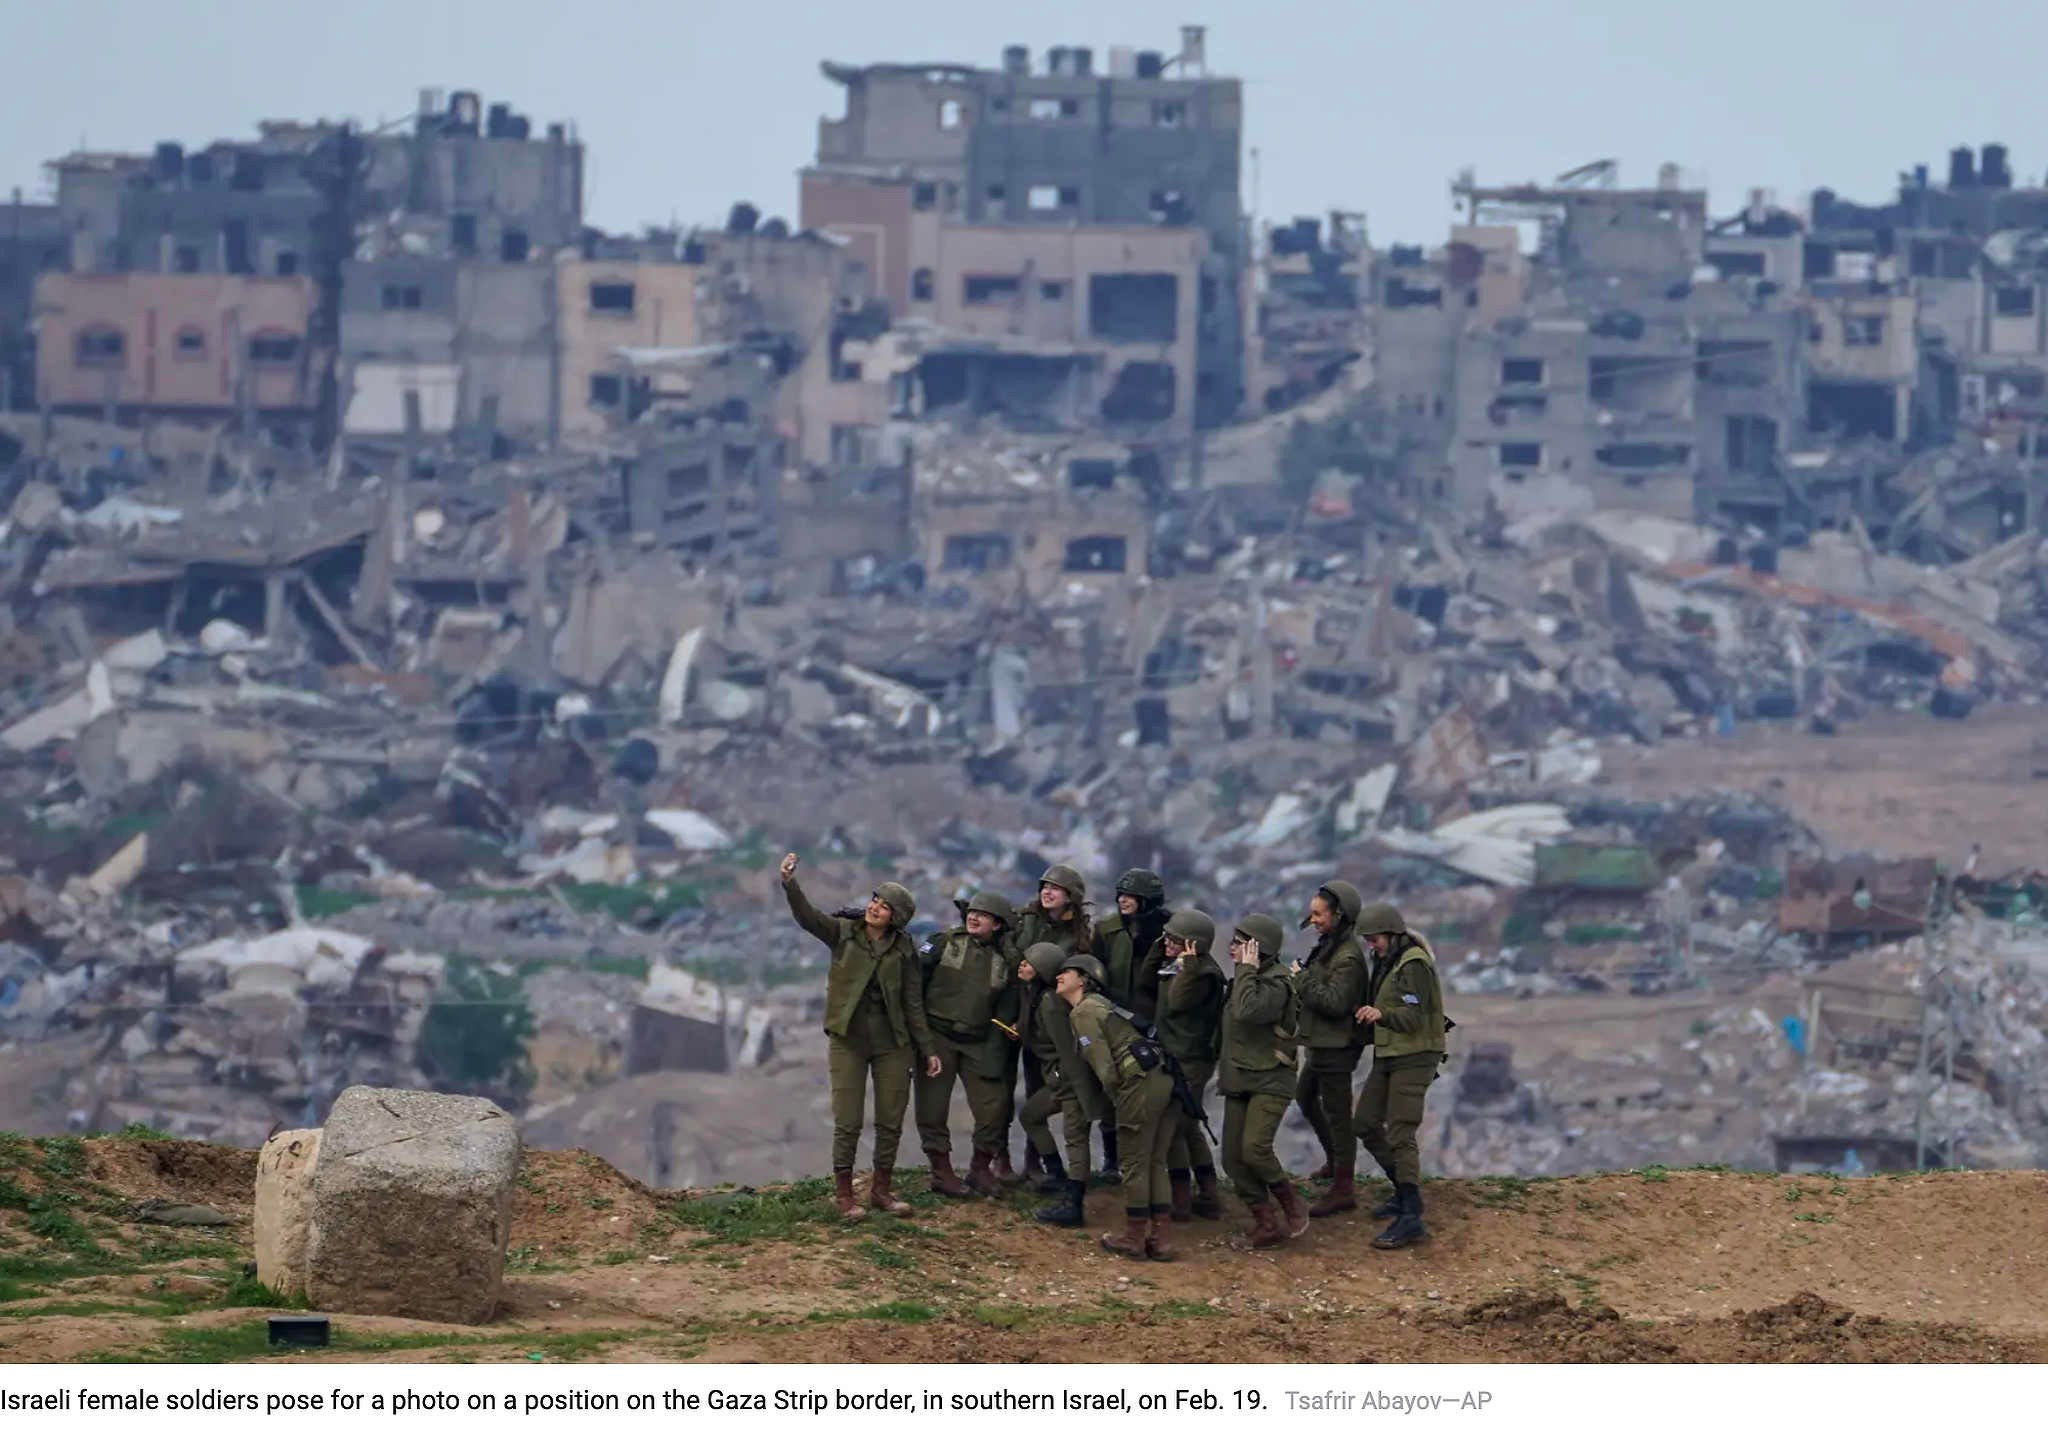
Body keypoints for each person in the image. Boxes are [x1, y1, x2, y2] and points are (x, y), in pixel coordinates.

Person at [779, 852, 940, 1220]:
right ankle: (844, 1195)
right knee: (848, 1120)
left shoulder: (904, 951)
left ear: (896, 918)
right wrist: (790, 884)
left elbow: (913, 1003)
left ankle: (882, 1190)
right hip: (848, 1039)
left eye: (884, 907)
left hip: (892, 1044)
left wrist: (927, 1048)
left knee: (890, 1119)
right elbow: (808, 918)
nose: (875, 909)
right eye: (875, 901)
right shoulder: (842, 932)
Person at [1057, 952, 1183, 1261]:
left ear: (1085, 980)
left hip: (1138, 1081)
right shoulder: (1105, 1007)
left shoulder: (1084, 1011)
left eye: (1068, 971)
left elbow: (1106, 1069)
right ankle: (1161, 1239)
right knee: (1155, 1161)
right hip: (1165, 1077)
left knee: (1134, 1162)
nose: (1060, 975)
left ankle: (1134, 1236)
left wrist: (1118, 1102)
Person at [1350, 900, 1449, 1250]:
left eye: (1374, 939)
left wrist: (1380, 1014)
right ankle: (1403, 1189)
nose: (1371, 946)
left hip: (1415, 1055)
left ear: (1391, 935)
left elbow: (1412, 1018)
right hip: (1390, 1053)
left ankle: (1411, 1214)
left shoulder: (1414, 965)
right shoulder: (1388, 962)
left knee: (1401, 1131)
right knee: (1364, 1123)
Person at [914, 890, 1022, 1197]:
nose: (974, 917)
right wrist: (920, 1037)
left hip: (980, 1039)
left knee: (994, 1108)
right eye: (972, 912)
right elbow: (914, 982)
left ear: (998, 925)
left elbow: (1009, 1002)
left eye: (983, 915)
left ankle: (980, 1167)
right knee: (932, 1108)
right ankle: (942, 1172)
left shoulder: (1005, 960)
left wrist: (1004, 1034)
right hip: (937, 1035)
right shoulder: (944, 943)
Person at [1217, 914, 1307, 1248]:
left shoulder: (1276, 983)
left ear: (1259, 949)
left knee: (1255, 1148)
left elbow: (1247, 1011)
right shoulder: (1247, 978)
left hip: (1271, 1079)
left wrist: (1246, 969)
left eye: (1240, 944)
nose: (1232, 948)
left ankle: (1291, 1204)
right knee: (1232, 1158)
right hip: (1241, 1077)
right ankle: (1265, 1221)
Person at [1014, 864, 1098, 1181]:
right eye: (1044, 886)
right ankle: (1034, 1164)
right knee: (1033, 1092)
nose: (1047, 892)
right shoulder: (1029, 921)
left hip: (1055, 1017)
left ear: (1070, 897)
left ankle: (1063, 1177)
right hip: (1028, 1013)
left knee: (1058, 1095)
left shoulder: (1078, 936)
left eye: (1055, 888)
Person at [1292, 879, 1369, 1216]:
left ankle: (1343, 1187)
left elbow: (1336, 1003)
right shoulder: (1329, 946)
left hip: (1336, 1047)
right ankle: (1335, 1161)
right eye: (1312, 914)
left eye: (1320, 914)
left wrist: (1301, 978)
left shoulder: (1348, 957)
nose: (1314, 921)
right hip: (1320, 1044)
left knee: (1339, 1117)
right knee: (1305, 1098)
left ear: (1340, 915)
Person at [1017, 941, 1106, 1227]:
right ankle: (1056, 1175)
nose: (1022, 965)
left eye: (1029, 962)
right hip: (1059, 1080)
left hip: (1068, 1081)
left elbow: (1068, 1050)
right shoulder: (1035, 996)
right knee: (1030, 1115)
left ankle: (1074, 1203)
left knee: (1075, 1139)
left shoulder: (1049, 1004)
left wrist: (1077, 1092)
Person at [1153, 908, 1225, 1222]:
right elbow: (1149, 983)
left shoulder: (1203, 974)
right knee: (1188, 1125)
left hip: (1191, 1060)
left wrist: (1190, 967)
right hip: (1175, 1055)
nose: (1166, 942)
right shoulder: (1178, 967)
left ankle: (1182, 1198)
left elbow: (1178, 1002)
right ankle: (1208, 1193)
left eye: (1174, 939)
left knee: (1177, 1126)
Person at [1093, 868, 1171, 1022]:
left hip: (1157, 1012)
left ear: (1147, 900)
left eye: (1129, 896)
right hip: (1114, 1009)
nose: (1122, 900)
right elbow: (1095, 969)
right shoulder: (1106, 929)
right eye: (1121, 895)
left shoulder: (1169, 930)